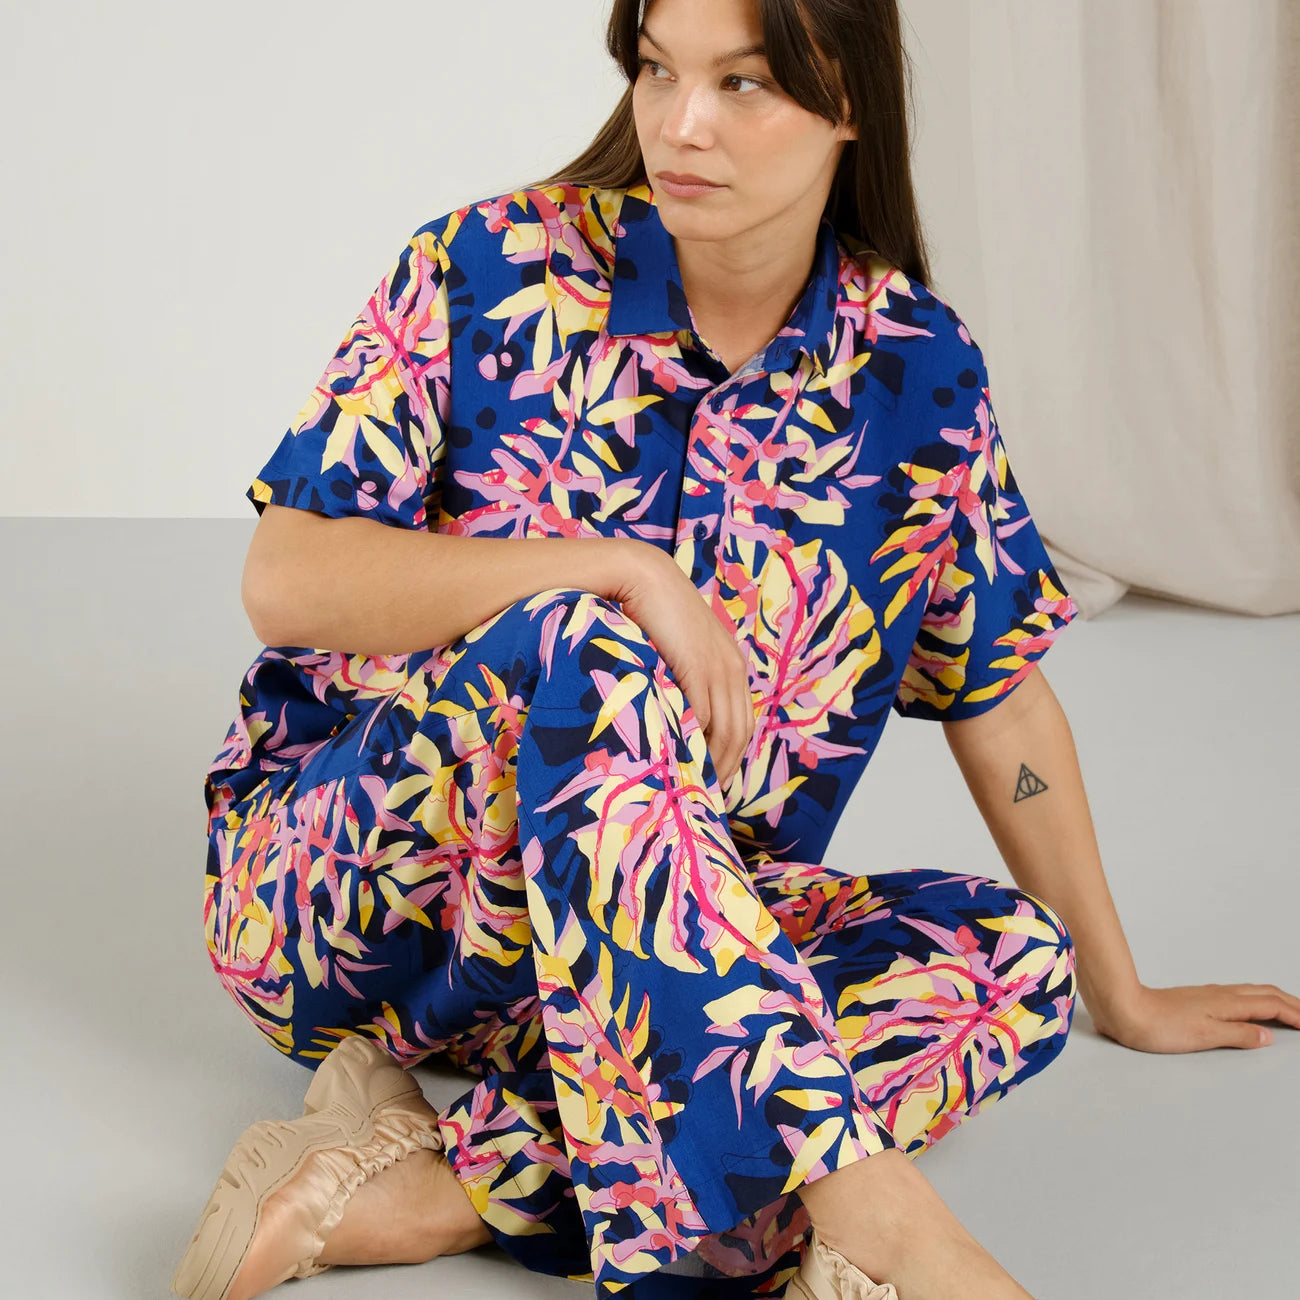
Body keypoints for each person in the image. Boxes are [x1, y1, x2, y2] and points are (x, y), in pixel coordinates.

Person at [172, 1, 1300, 1298]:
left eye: (743, 83)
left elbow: (998, 695)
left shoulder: (917, 376)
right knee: (589, 642)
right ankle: (885, 1223)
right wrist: (614, 565)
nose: (680, 124)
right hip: (353, 905)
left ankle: (436, 1187)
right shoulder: (486, 269)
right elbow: (287, 580)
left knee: (1013, 962)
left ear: (848, 101)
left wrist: (1124, 990)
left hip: (643, 983)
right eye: (658, 71)